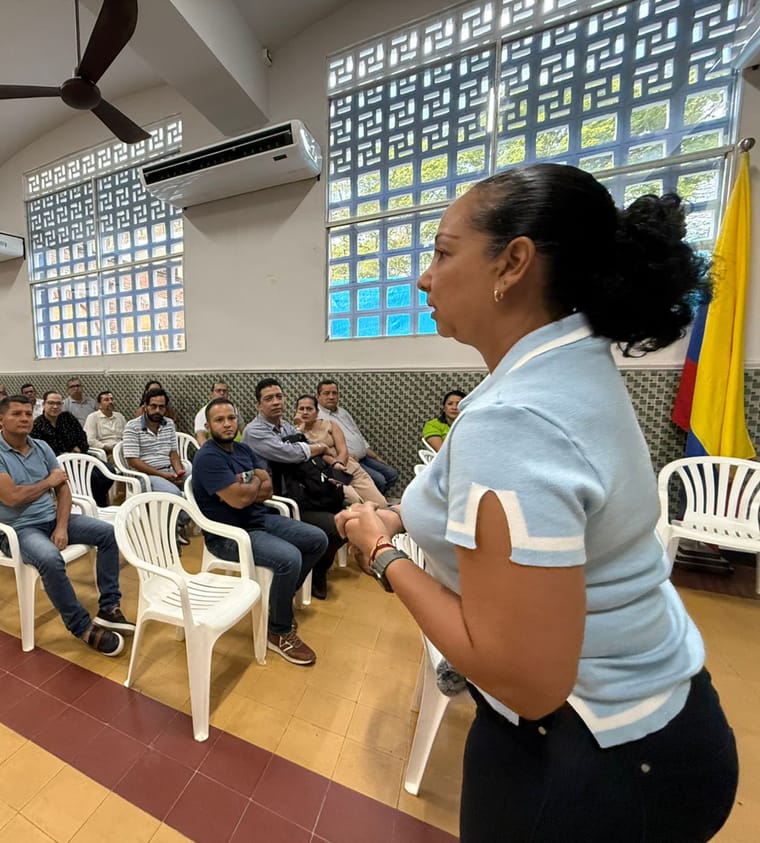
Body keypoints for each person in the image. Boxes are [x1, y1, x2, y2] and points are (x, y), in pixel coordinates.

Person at [335, 164, 738, 842]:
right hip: (663, 721)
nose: (424, 277)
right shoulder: (564, 369)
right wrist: (404, 514)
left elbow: (524, 679)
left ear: (512, 262)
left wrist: (381, 553)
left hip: (594, 758)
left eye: (442, 252)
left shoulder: (517, 416)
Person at [0, 395, 130, 656]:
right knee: (50, 558)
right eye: (16, 414)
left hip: (51, 520)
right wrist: (48, 482)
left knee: (108, 533)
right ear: (1, 419)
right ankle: (81, 627)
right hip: (18, 530)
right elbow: (12, 498)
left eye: (27, 413)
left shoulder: (41, 447)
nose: (24, 418)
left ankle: (109, 606)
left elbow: (64, 490)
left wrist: (61, 526)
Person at [192, 397, 326, 665]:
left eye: (231, 418)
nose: (227, 424)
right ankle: (278, 632)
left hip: (258, 519)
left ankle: (279, 602)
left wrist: (247, 488)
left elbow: (268, 488)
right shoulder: (207, 457)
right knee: (289, 558)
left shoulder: (242, 450)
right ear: (208, 426)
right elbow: (240, 498)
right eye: (220, 420)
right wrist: (251, 486)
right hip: (228, 535)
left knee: (316, 539)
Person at [241, 379, 345, 599]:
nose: (276, 402)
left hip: (302, 489)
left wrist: (331, 466)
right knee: (336, 527)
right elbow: (292, 453)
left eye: (279, 396)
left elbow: (306, 449)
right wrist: (319, 447)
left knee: (345, 514)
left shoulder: (286, 426)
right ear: (258, 405)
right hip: (279, 498)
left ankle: (317, 568)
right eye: (269, 399)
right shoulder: (255, 431)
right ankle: (311, 577)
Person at [122, 387, 189, 543]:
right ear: (145, 406)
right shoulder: (132, 426)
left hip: (169, 470)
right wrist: (163, 476)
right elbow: (133, 461)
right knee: (173, 493)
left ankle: (180, 523)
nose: (157, 410)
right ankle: (171, 532)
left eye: (161, 407)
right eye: (153, 406)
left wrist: (178, 470)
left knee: (199, 481)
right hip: (147, 475)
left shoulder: (169, 424)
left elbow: (173, 452)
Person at [294, 394, 385, 506]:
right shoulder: (296, 433)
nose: (305, 412)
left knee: (381, 504)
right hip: (329, 477)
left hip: (349, 467)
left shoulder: (330, 425)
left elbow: (343, 450)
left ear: (317, 412)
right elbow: (313, 454)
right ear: (296, 412)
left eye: (309, 409)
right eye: (301, 409)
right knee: (355, 502)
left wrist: (340, 468)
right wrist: (300, 428)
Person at [316, 380, 399, 497]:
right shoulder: (318, 417)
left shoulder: (343, 412)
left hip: (364, 457)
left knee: (392, 474)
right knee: (380, 480)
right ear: (318, 396)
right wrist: (344, 456)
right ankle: (371, 505)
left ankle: (373, 500)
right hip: (349, 460)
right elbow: (324, 445)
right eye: (326, 393)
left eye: (334, 393)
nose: (331, 397)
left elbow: (358, 434)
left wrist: (375, 456)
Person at [31, 392, 88, 456]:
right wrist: (62, 455)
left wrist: (79, 448)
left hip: (77, 458)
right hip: (51, 462)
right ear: (44, 405)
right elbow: (38, 450)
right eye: (51, 403)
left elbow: (82, 437)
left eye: (58, 403)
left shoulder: (68, 418)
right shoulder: (37, 425)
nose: (55, 407)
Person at [193, 381, 239, 445]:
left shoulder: (232, 408)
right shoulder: (202, 413)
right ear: (212, 394)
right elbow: (201, 438)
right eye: (218, 391)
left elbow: (242, 428)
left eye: (224, 391)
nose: (222, 393)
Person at [84, 390, 126, 459]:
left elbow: (126, 435)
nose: (110, 402)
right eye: (106, 400)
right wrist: (106, 447)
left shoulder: (119, 416)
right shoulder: (93, 417)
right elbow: (90, 440)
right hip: (106, 452)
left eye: (111, 399)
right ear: (99, 405)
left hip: (122, 449)